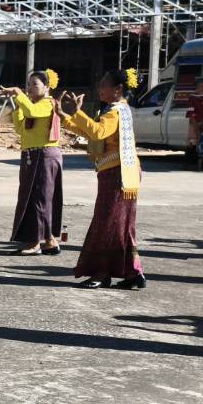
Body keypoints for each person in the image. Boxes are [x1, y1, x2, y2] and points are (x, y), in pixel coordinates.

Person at [58, 71, 146, 289]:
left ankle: (102, 273)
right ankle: (133, 273)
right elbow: (94, 133)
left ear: (117, 89)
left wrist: (77, 113)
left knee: (108, 224)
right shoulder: (117, 109)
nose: (99, 90)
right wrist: (66, 117)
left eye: (103, 86)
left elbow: (97, 132)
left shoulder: (115, 112)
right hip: (123, 173)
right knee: (121, 226)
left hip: (117, 174)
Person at [0, 71, 63, 255]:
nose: (30, 88)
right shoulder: (30, 104)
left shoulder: (48, 103)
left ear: (47, 88)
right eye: (28, 84)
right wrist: (17, 103)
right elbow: (20, 129)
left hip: (44, 155)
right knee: (34, 197)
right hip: (31, 155)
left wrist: (18, 93)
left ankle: (35, 243)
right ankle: (50, 241)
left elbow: (32, 111)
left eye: (34, 84)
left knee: (39, 198)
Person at [186, 79, 203, 150]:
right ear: (197, 88)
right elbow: (190, 112)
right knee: (195, 141)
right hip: (195, 122)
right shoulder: (192, 98)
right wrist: (195, 125)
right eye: (202, 86)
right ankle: (196, 155)